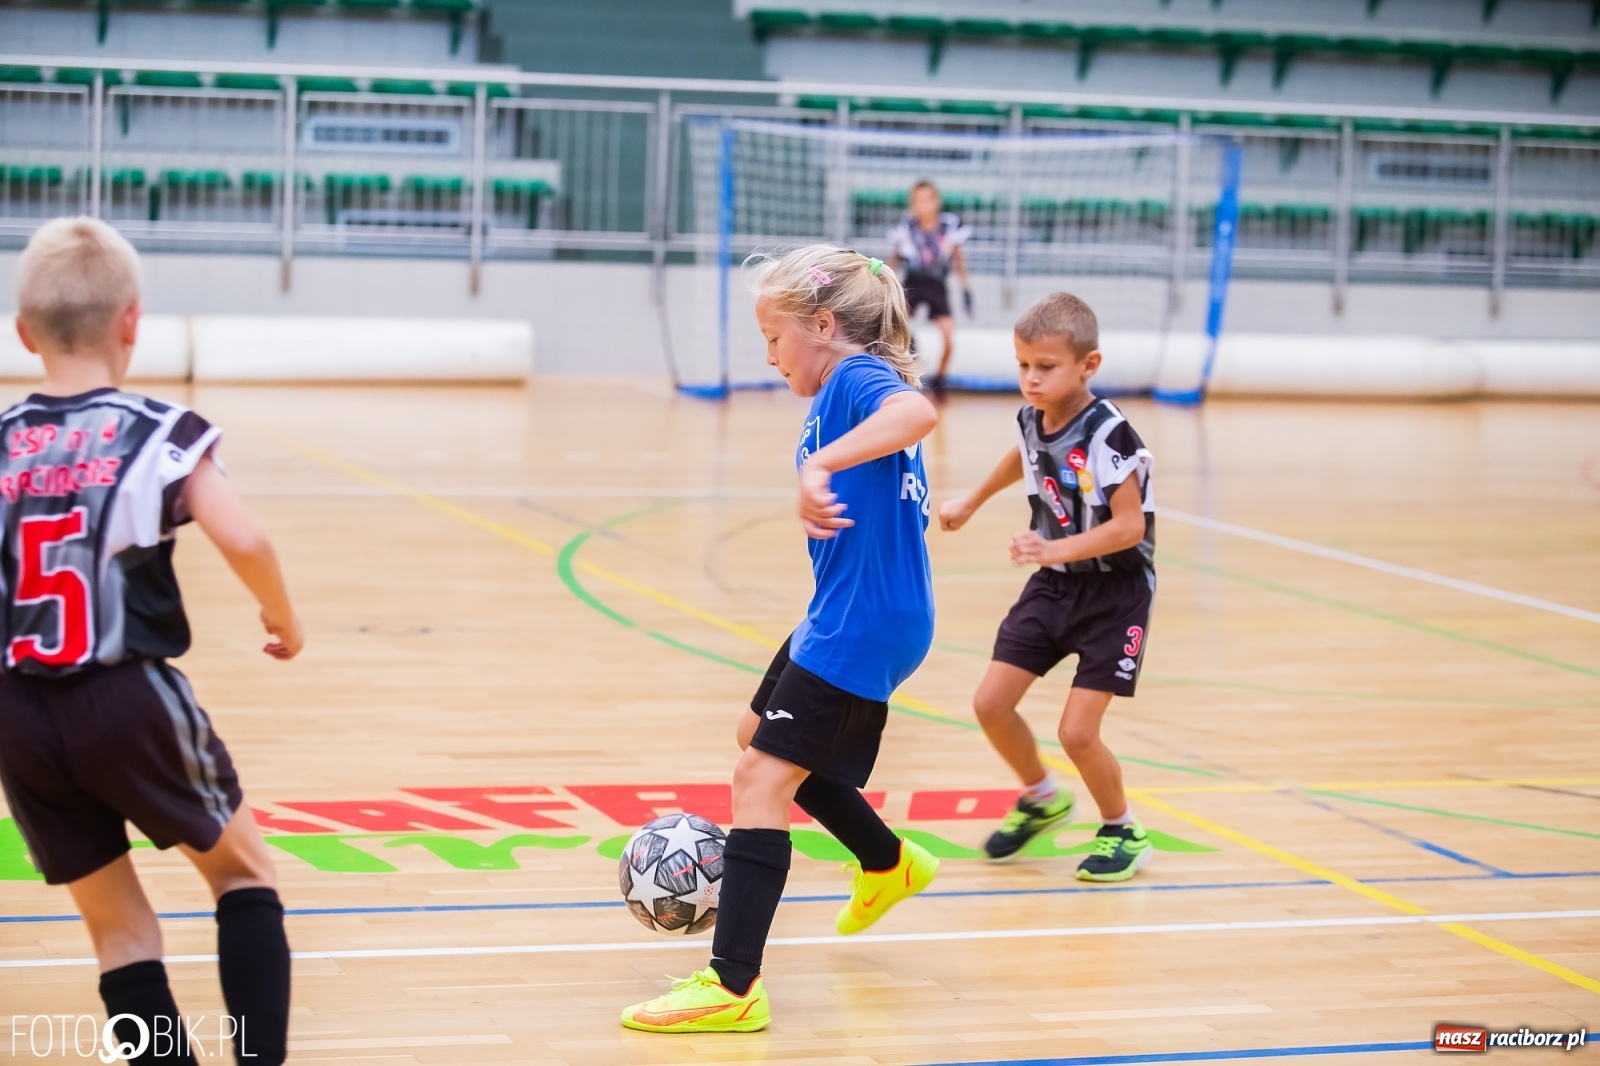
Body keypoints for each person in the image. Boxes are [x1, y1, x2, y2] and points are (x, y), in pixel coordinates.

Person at [0, 217, 302, 1064]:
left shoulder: (2, 440)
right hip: (123, 693)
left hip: (17, 710)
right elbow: (245, 540)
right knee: (243, 875)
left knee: (120, 934)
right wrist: (285, 618)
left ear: (24, 332)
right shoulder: (159, 431)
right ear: (133, 321)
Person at [621, 245, 941, 1034]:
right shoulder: (840, 384)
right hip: (850, 608)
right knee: (755, 737)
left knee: (759, 778)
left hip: (862, 618)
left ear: (824, 326)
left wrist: (820, 466)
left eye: (774, 337)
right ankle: (886, 860)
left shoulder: (855, 378)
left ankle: (733, 986)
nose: (768, 356)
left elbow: (917, 412)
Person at [937, 292, 1156, 882]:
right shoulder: (1032, 418)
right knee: (990, 703)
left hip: (1117, 594)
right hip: (1054, 586)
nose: (1031, 379)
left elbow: (1130, 526)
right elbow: (1024, 454)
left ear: (1089, 365)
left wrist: (1052, 547)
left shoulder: (1111, 435)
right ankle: (1041, 796)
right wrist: (973, 500)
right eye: (1023, 365)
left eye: (1045, 367)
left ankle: (1123, 829)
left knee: (1077, 732)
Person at [887, 180, 972, 391]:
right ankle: (903, 377)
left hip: (937, 285)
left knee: (949, 338)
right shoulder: (906, 227)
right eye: (917, 201)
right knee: (895, 329)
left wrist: (966, 289)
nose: (922, 206)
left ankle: (940, 382)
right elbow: (894, 259)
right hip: (913, 281)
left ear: (936, 201)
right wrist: (884, 284)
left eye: (927, 200)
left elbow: (959, 259)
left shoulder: (949, 226)